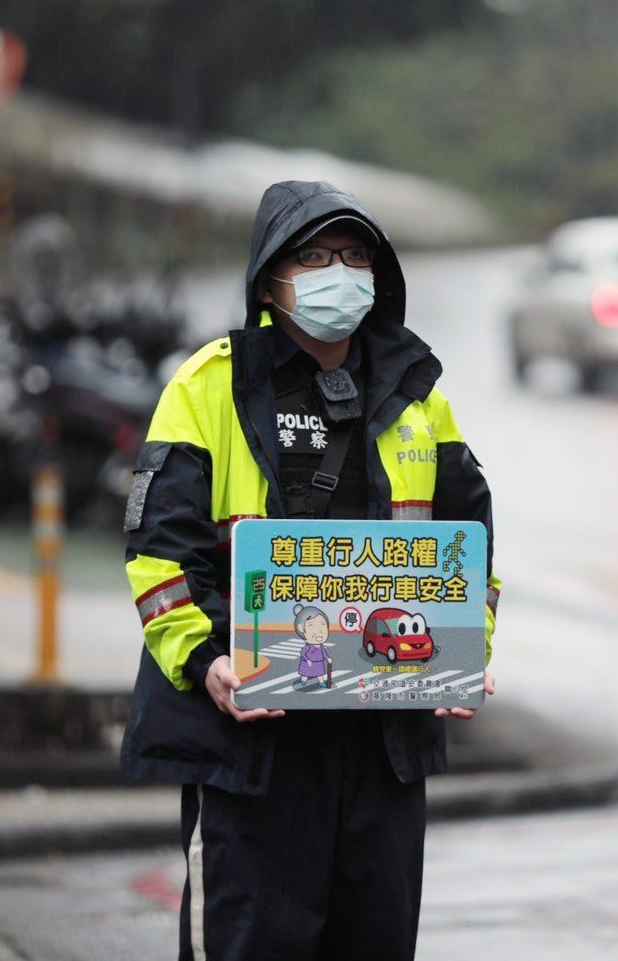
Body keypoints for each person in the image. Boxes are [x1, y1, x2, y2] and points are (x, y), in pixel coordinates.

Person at [120, 180, 500, 961]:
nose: (340, 272)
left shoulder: (416, 396)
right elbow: (160, 549)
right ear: (268, 280)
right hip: (255, 748)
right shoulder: (208, 387)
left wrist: (469, 647)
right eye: (317, 256)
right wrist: (206, 661)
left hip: (381, 750)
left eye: (355, 255)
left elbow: (472, 539)